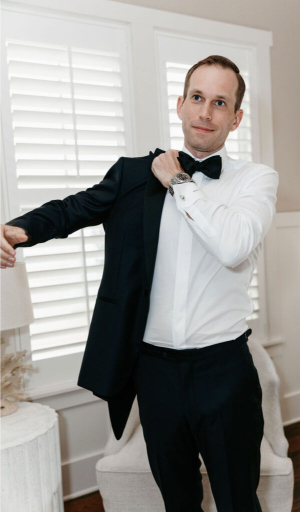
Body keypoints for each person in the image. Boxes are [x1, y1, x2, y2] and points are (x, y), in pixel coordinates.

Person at [1, 55, 279, 511]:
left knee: (238, 501)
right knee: (178, 498)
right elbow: (75, 208)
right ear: (180, 104)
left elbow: (233, 245)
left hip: (224, 370)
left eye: (220, 102)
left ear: (236, 117)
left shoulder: (256, 180)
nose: (205, 112)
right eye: (196, 97)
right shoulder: (133, 174)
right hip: (155, 373)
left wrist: (180, 182)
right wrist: (18, 229)